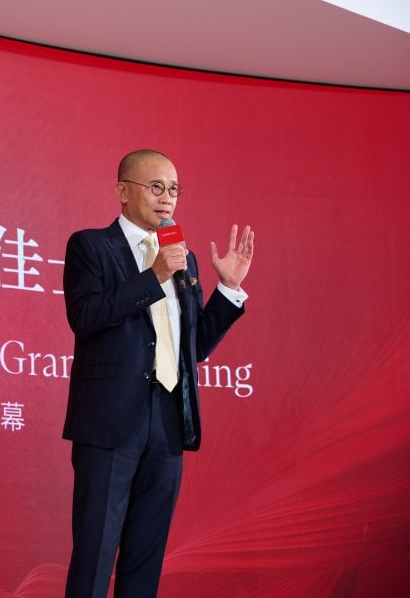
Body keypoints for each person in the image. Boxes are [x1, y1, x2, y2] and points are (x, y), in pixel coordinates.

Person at [62, 150, 254, 597]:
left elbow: (194, 348)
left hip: (167, 422)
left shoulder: (182, 259)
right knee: (95, 556)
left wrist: (228, 289)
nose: (167, 199)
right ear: (122, 192)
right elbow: (86, 316)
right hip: (111, 423)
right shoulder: (91, 246)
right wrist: (153, 276)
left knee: (146, 559)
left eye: (173, 190)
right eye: (155, 187)